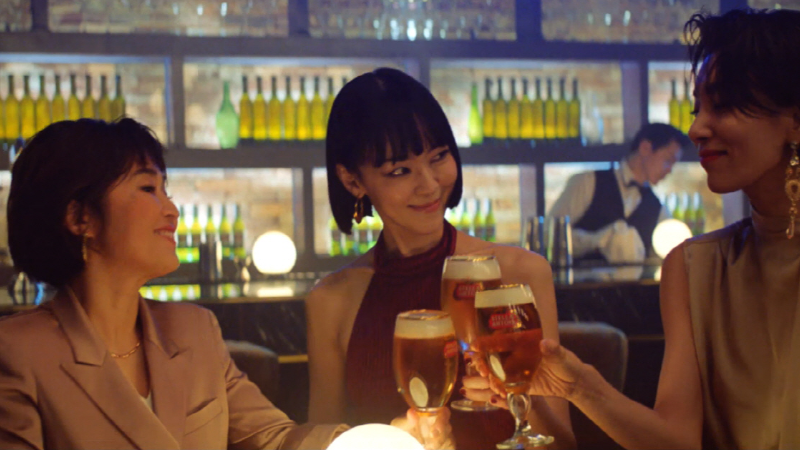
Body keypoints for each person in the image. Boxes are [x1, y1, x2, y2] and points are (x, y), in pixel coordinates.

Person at [465, 8, 800, 450]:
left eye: (724, 105)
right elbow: (675, 442)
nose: (697, 128)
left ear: (793, 119)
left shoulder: (659, 210)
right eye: (699, 107)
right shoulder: (693, 267)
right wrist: (578, 386)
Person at [0, 118, 442, 449]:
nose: (171, 211)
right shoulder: (19, 353)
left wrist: (384, 437)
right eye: (148, 189)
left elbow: (275, 439)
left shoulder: (193, 330)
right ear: (80, 217)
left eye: (166, 190)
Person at [305, 67, 576, 450]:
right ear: (353, 181)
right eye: (400, 170)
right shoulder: (331, 300)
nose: (430, 184)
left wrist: (519, 402)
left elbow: (562, 444)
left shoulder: (518, 274)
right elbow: (321, 440)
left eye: (438, 157)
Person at [548, 123, 691, 265]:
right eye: (668, 161)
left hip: (632, 288)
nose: (670, 170)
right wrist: (597, 240)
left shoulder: (659, 211)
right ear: (645, 148)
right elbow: (551, 234)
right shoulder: (587, 182)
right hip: (580, 285)